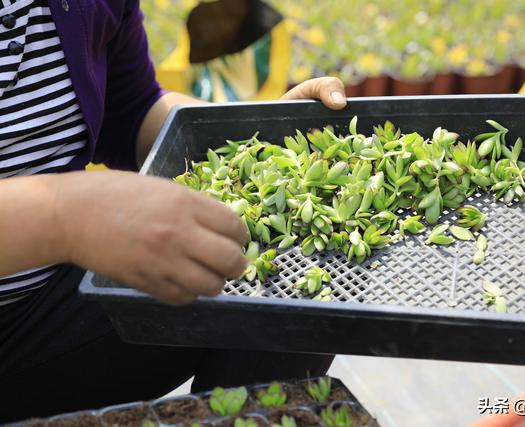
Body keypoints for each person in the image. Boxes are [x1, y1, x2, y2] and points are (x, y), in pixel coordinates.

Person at [0, 0, 346, 421]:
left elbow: (131, 107)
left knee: (305, 262)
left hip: (46, 308)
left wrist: (256, 144)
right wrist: (64, 218)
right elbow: (67, 215)